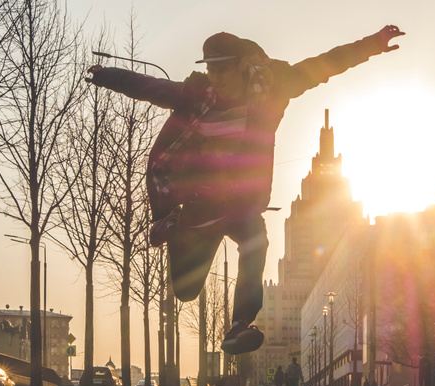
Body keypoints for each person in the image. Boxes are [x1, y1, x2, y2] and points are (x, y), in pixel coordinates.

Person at [87, 25, 406, 356]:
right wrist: (105, 74)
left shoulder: (272, 89)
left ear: (241, 65)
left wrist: (374, 44)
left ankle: (240, 324)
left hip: (241, 203)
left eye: (222, 68)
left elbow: (322, 66)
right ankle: (175, 230)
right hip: (202, 202)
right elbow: (148, 86)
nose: (216, 77)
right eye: (210, 68)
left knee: (257, 240)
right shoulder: (196, 95)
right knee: (185, 291)